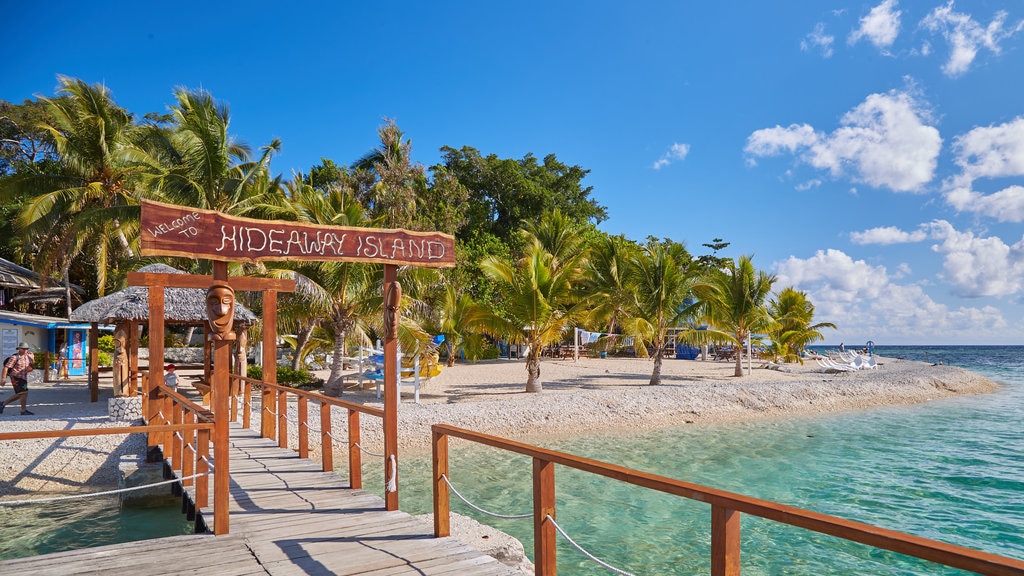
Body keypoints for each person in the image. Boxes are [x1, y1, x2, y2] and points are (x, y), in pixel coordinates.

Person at [1, 342, 36, 415]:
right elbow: (6, 367)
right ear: (19, 349)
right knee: (23, 392)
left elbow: (32, 364)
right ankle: (4, 404)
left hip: (23, 377)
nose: (25, 350)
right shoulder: (14, 357)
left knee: (23, 394)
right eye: (23, 348)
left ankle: (23, 410)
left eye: (26, 349)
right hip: (15, 377)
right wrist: (3, 378)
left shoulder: (29, 356)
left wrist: (32, 363)